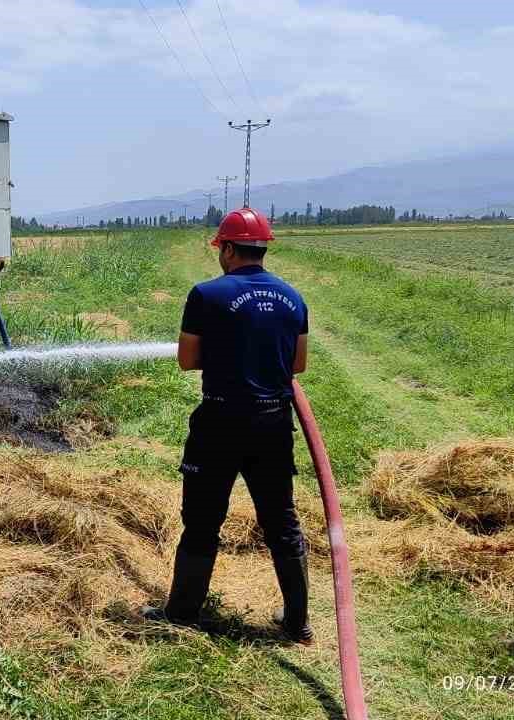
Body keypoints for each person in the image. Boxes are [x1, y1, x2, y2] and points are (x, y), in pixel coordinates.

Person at [143, 207, 313, 643]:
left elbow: (187, 360)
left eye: (221, 248)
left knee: (202, 521)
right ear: (264, 249)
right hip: (273, 423)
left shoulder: (206, 295)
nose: (220, 255)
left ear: (230, 248)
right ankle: (297, 622)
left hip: (219, 423)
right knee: (281, 522)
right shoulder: (294, 298)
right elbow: (298, 365)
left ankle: (182, 614)